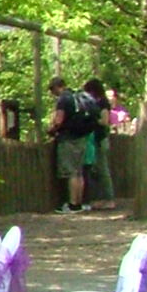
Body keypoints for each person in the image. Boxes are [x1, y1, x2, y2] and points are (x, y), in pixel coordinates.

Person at [46, 76, 101, 213]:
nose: (54, 94)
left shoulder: (63, 99)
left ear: (57, 87)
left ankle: (72, 204)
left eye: (53, 91)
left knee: (70, 172)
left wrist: (51, 130)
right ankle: (79, 202)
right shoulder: (76, 96)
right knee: (79, 172)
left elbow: (59, 120)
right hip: (82, 137)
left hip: (69, 138)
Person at [83, 78, 115, 209]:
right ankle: (101, 198)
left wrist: (93, 118)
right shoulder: (96, 102)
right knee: (96, 169)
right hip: (95, 139)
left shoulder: (102, 103)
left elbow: (105, 121)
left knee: (103, 170)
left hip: (101, 139)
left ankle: (109, 199)